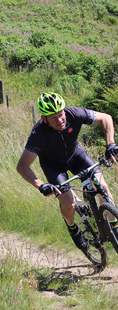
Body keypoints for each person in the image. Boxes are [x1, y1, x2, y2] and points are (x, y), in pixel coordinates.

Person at [16, 92, 118, 251]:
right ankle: (73, 228)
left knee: (103, 188)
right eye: (54, 117)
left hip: (76, 156)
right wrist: (41, 185)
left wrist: (110, 144)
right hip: (53, 166)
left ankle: (115, 229)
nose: (60, 119)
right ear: (44, 119)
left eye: (60, 114)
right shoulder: (38, 134)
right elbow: (22, 166)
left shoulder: (74, 114)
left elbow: (106, 118)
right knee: (68, 202)